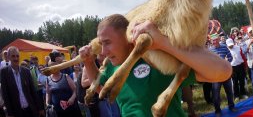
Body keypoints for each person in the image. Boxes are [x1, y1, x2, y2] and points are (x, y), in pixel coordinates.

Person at [80, 14, 233, 117]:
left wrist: (164, 43)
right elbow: (100, 88)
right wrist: (87, 62)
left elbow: (224, 71)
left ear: (127, 37)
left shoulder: (158, 60)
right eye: (101, 44)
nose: (104, 51)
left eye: (107, 43)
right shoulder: (113, 67)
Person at [1, 46, 45, 117]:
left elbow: (33, 91)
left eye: (17, 56)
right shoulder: (4, 72)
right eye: (13, 56)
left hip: (30, 110)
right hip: (16, 111)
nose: (16, 58)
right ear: (8, 57)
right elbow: (5, 94)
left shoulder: (26, 71)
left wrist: (40, 108)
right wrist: (9, 112)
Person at [209, 34, 238, 117]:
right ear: (211, 41)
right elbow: (209, 64)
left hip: (226, 74)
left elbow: (231, 57)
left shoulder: (224, 47)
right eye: (213, 40)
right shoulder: (209, 51)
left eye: (216, 40)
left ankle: (231, 106)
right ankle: (217, 111)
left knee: (229, 92)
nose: (215, 42)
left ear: (218, 40)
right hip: (216, 76)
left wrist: (226, 60)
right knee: (216, 94)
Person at [46, 52, 79, 117]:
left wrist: (72, 98)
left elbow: (75, 90)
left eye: (55, 66)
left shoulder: (65, 76)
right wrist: (47, 102)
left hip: (70, 109)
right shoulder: (48, 79)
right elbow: (48, 93)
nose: (54, 68)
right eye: (52, 67)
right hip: (57, 111)